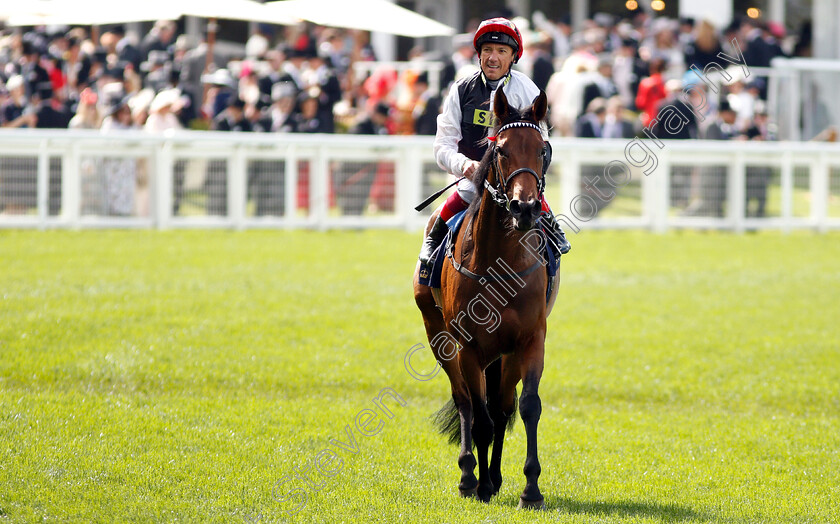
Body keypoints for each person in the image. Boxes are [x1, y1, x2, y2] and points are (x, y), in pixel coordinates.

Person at [418, 17, 570, 268]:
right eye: (487, 50)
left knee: (546, 232)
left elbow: (543, 144)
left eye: (501, 51)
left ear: (513, 57)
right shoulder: (461, 90)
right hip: (471, 183)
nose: (493, 57)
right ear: (478, 54)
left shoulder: (528, 89)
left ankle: (550, 256)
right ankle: (430, 263)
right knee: (438, 226)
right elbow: (442, 146)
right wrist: (464, 164)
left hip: (517, 182)